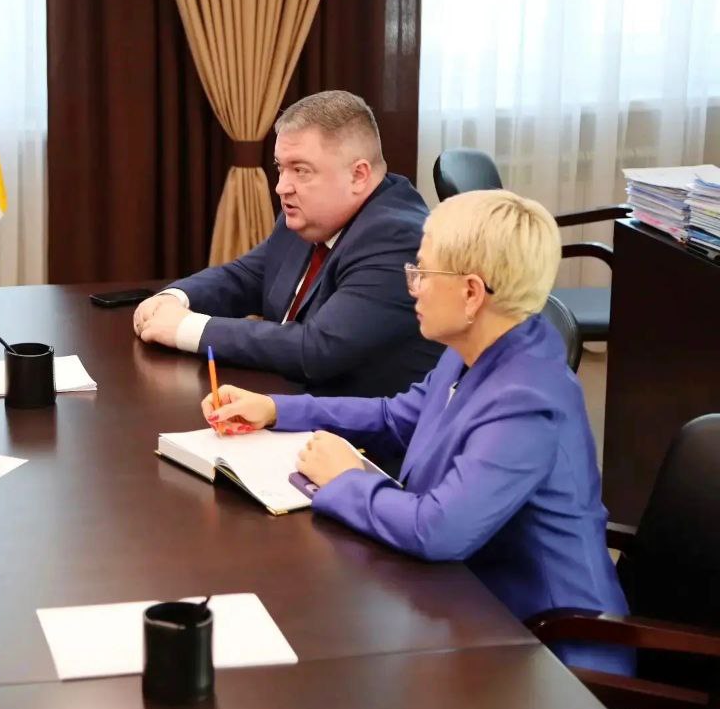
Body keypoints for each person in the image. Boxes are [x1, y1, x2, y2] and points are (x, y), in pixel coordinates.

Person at [201, 189, 632, 675]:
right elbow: (395, 417)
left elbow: (439, 530)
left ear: (472, 293)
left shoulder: (527, 399)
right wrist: (276, 409)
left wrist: (346, 480)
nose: (413, 287)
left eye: (423, 273)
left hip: (552, 653)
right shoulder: (479, 347)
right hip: (471, 604)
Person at [134, 91, 441, 397]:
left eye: (301, 170)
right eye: (280, 168)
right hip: (287, 400)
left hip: (361, 422)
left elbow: (318, 348)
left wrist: (187, 328)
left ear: (358, 175)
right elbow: (248, 276)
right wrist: (176, 298)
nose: (281, 187)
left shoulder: (398, 238)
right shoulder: (308, 216)